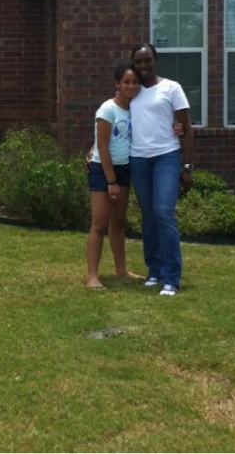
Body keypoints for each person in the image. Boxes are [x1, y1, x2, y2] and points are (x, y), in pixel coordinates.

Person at [127, 43, 194, 296]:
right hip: (139, 159)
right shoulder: (132, 91)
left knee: (164, 212)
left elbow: (186, 128)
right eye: (138, 61)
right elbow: (115, 120)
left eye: (147, 60)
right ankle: (154, 271)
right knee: (148, 216)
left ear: (155, 60)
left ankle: (172, 278)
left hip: (166, 157)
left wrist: (187, 166)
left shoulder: (171, 88)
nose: (143, 66)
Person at [85, 63, 142, 289]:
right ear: (117, 84)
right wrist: (111, 182)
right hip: (103, 170)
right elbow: (103, 146)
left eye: (135, 82)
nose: (131, 86)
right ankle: (92, 276)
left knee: (117, 223)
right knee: (99, 224)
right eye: (126, 82)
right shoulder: (107, 109)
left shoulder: (136, 109)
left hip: (125, 169)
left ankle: (121, 269)